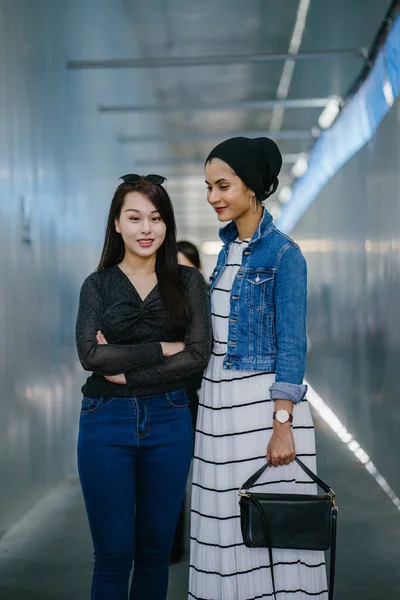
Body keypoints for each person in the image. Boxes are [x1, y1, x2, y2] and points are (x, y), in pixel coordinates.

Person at [189, 138, 328, 600]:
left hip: (260, 411)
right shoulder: (228, 251)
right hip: (218, 405)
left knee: (266, 528)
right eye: (209, 187)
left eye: (223, 186)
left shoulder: (285, 255)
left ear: (252, 188)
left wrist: (282, 424)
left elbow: (292, 344)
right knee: (223, 526)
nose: (213, 197)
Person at [75, 174, 212, 600]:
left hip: (170, 418)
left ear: (167, 224)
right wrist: (163, 347)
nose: (146, 229)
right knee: (113, 555)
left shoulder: (188, 283)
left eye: (156, 218)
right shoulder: (97, 285)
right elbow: (91, 358)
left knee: (154, 553)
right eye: (135, 218)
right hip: (105, 422)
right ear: (117, 223)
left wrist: (129, 370)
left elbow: (198, 354)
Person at [170, 240, 205, 564]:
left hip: (200, 401)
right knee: (172, 477)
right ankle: (173, 547)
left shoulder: (205, 304)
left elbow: (200, 354)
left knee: (208, 477)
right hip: (171, 400)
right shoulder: (165, 304)